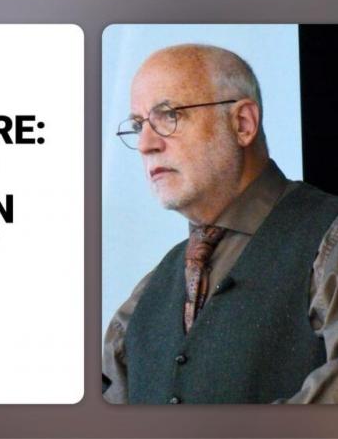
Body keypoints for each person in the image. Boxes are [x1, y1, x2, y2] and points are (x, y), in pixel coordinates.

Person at [102, 44, 338, 404]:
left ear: (242, 124)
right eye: (138, 125)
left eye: (168, 116)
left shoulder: (328, 236)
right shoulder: (146, 295)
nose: (146, 144)